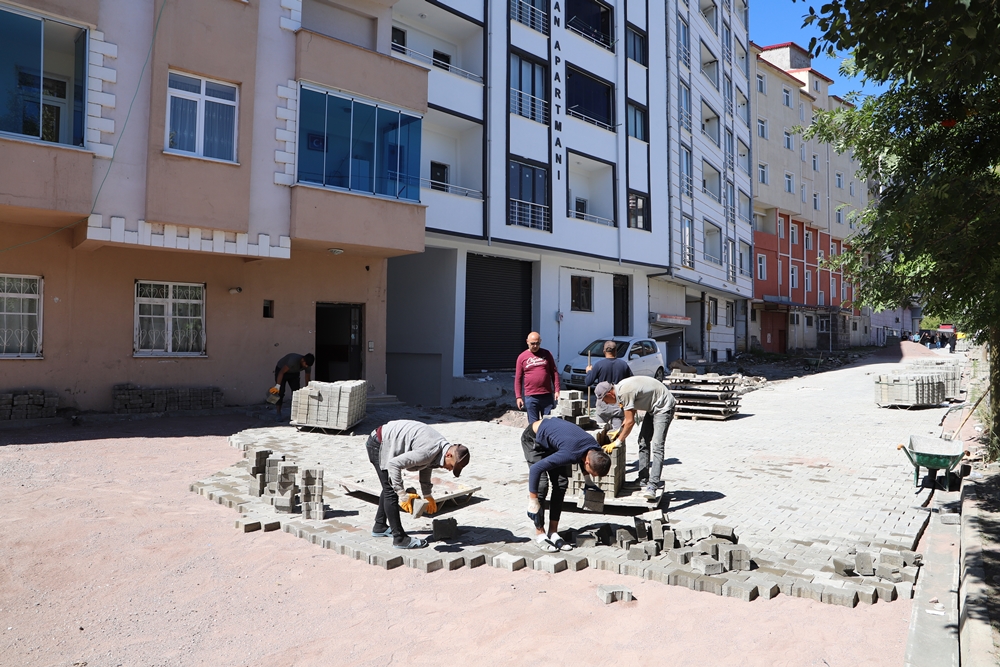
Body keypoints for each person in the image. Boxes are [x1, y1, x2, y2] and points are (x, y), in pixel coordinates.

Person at [366, 420, 470, 549]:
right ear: (448, 455)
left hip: (384, 439)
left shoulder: (440, 448)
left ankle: (379, 526)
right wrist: (402, 494)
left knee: (389, 485)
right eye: (451, 466)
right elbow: (394, 464)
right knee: (391, 491)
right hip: (378, 444)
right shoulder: (429, 450)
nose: (449, 469)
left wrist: (427, 494)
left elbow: (426, 464)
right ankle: (400, 539)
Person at [521, 418, 611, 552]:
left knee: (561, 483)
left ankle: (553, 532)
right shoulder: (571, 454)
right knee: (542, 485)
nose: (594, 476)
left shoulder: (595, 449)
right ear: (587, 463)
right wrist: (533, 500)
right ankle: (540, 534)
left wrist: (588, 481)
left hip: (553, 443)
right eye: (593, 474)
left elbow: (583, 456)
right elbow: (535, 470)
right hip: (533, 439)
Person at [596, 376, 676, 501]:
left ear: (610, 394)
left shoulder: (625, 392)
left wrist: (617, 442)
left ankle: (652, 486)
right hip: (653, 406)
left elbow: (630, 422)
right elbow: (630, 413)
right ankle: (643, 479)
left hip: (663, 407)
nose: (605, 403)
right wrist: (620, 430)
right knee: (643, 441)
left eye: (604, 399)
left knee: (657, 446)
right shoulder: (620, 390)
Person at [584, 340, 633, 430]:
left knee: (601, 431)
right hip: (618, 403)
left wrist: (589, 371)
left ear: (604, 351)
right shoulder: (623, 365)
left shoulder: (599, 365)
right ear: (616, 351)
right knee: (617, 433)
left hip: (603, 403)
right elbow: (631, 382)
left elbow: (588, 382)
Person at [515, 332, 560, 424]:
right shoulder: (522, 357)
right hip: (531, 397)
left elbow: (554, 372)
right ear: (527, 342)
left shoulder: (547, 354)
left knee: (549, 424)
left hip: (546, 395)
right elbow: (518, 379)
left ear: (540, 341)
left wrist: (557, 390)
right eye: (532, 343)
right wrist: (518, 397)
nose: (535, 346)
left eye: (537, 343)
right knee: (534, 425)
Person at [270, 352, 315, 419]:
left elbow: (307, 378)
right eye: (305, 364)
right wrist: (277, 386)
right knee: (280, 392)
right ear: (302, 360)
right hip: (282, 371)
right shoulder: (293, 360)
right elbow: (281, 372)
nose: (306, 366)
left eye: (307, 366)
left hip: (294, 373)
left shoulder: (307, 365)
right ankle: (278, 413)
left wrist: (307, 389)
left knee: (296, 392)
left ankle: (296, 413)